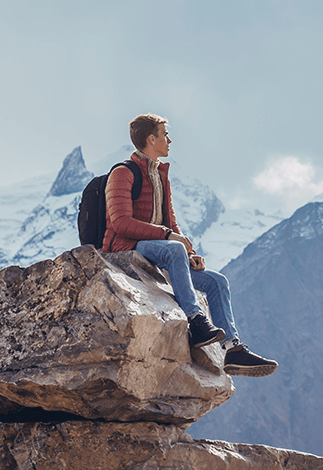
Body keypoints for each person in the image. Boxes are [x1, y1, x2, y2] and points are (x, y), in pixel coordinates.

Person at [102, 113, 278, 377]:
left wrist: (190, 253)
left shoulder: (160, 175)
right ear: (152, 139)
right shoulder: (123, 173)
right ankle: (196, 321)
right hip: (126, 248)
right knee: (173, 249)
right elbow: (121, 223)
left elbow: (171, 223)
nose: (169, 141)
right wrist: (169, 239)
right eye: (165, 135)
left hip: (158, 250)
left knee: (217, 281)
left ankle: (232, 349)